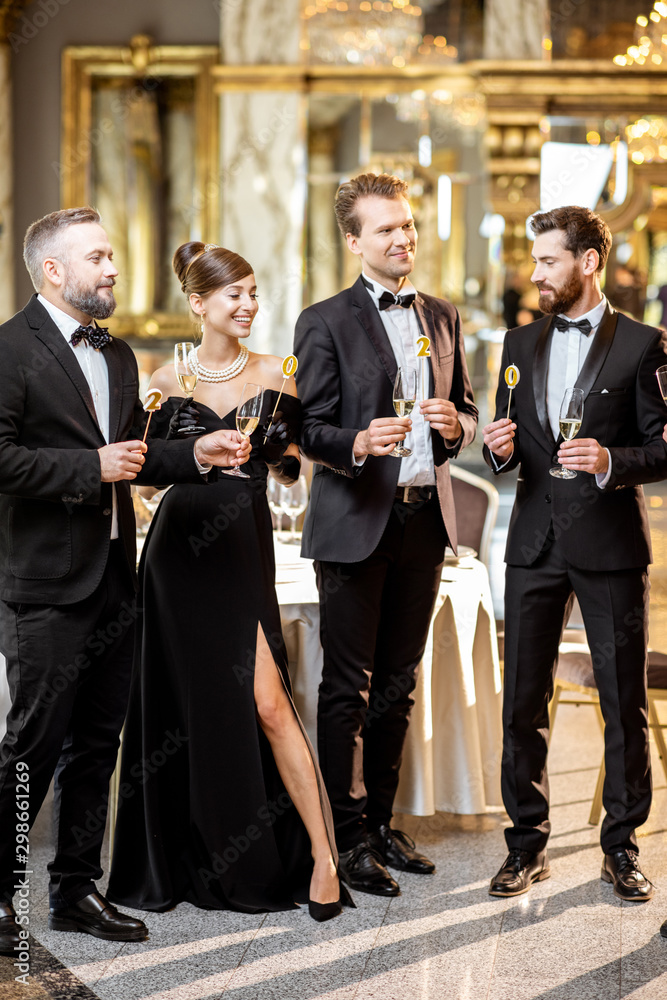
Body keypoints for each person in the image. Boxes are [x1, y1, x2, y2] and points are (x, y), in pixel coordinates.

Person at [0, 209, 250, 954]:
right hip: (43, 586)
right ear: (53, 270)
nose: (113, 268)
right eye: (99, 257)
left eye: (112, 254)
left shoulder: (114, 354)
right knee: (29, 749)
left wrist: (196, 454)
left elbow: (133, 456)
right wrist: (87, 468)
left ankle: (75, 890)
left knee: (96, 747)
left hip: (113, 580)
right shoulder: (9, 349)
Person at [107, 242, 348, 922]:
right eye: (232, 296)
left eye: (251, 293)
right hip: (174, 558)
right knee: (177, 709)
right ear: (198, 304)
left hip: (241, 553)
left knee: (270, 705)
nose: (247, 306)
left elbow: (296, 467)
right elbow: (141, 468)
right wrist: (182, 460)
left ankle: (324, 859)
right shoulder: (161, 378)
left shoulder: (280, 374)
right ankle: (183, 857)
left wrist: (291, 461)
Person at [293, 173, 478, 896]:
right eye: (385, 230)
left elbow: (461, 407)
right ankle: (341, 836)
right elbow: (306, 430)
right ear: (353, 242)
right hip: (353, 523)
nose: (402, 239)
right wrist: (357, 441)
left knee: (397, 686)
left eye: (407, 226)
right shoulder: (324, 320)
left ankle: (380, 825)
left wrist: (455, 426)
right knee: (346, 687)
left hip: (423, 519)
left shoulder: (441, 314)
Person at [482, 205, 667, 903]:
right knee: (520, 701)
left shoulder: (644, 344)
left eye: (548, 261)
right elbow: (508, 440)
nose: (534, 273)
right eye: (533, 261)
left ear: (587, 262)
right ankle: (524, 845)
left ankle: (619, 848)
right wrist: (495, 452)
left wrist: (610, 459)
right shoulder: (516, 341)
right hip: (531, 540)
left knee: (622, 702)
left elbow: (663, 446)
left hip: (610, 544)